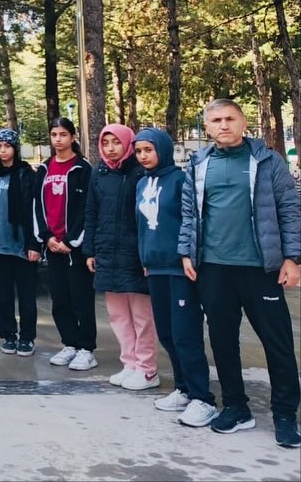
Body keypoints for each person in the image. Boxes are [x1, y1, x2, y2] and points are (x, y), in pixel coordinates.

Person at [179, 98, 300, 448]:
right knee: (223, 340)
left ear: (243, 122)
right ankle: (236, 407)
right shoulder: (199, 163)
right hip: (214, 268)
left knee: (277, 342)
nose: (223, 125)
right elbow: (189, 213)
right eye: (216, 120)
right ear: (207, 127)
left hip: (260, 269)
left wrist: (293, 257)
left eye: (230, 118)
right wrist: (186, 252)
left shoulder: (266, 160)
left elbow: (290, 210)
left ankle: (284, 415)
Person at [133, 128, 217, 428]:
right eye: (139, 151)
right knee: (167, 334)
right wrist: (144, 258)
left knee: (185, 334)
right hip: (154, 268)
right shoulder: (141, 182)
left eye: (149, 150)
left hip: (180, 269)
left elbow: (191, 222)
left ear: (163, 149)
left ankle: (202, 398)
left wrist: (188, 257)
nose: (143, 156)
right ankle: (183, 388)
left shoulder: (181, 180)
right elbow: (141, 226)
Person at [83, 124, 156, 390]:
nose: (111, 148)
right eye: (106, 143)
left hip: (135, 254)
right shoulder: (98, 173)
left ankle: (147, 369)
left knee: (142, 316)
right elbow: (91, 212)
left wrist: (148, 254)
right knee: (117, 315)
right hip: (106, 252)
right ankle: (130, 364)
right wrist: (89, 250)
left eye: (116, 142)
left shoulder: (140, 173)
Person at [33, 117, 96, 371]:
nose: (58, 139)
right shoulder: (44, 169)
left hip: (74, 248)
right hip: (52, 246)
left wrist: (71, 240)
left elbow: (87, 208)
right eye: (54, 134)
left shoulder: (82, 168)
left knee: (81, 299)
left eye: (63, 134)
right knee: (59, 299)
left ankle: (86, 349)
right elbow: (37, 206)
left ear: (72, 137)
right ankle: (69, 343)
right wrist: (47, 237)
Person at [0, 128, 40, 357]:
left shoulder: (27, 175)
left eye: (8, 146)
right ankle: (9, 335)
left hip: (22, 247)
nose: (3, 151)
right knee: (1, 297)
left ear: (15, 148)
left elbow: (36, 211)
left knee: (26, 298)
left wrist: (34, 244)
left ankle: (27, 337)